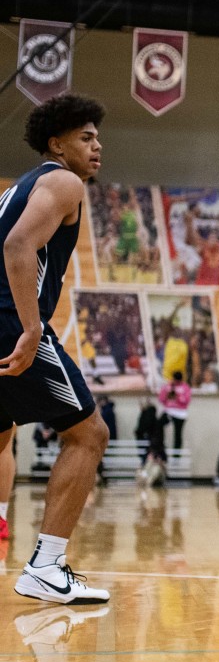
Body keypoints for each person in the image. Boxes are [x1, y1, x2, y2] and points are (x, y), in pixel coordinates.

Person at [0, 94, 110, 604]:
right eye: (85, 137)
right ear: (56, 144)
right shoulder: (62, 182)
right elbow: (17, 247)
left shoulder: (17, 188)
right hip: (10, 325)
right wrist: (29, 327)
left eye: (97, 137)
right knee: (89, 434)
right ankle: (46, 566)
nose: (97, 146)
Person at [158, 370, 191, 450]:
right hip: (169, 411)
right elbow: (161, 399)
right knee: (158, 425)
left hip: (180, 413)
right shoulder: (167, 386)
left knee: (177, 434)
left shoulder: (185, 387)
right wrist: (166, 392)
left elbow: (187, 400)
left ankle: (176, 455)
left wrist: (178, 396)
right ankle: (160, 446)